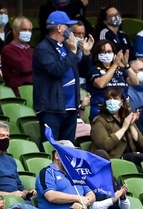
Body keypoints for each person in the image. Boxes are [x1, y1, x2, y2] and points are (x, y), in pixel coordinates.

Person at [33, 11, 93, 143]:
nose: (70, 30)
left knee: (68, 151)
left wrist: (87, 54)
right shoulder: (43, 49)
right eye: (68, 26)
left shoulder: (67, 47)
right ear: (60, 28)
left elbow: (84, 72)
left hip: (71, 109)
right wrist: (72, 53)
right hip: (52, 110)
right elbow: (56, 70)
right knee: (51, 149)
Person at [90, 87, 143, 159]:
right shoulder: (99, 121)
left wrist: (131, 125)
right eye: (109, 99)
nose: (112, 101)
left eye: (115, 99)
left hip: (131, 157)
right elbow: (105, 145)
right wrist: (123, 128)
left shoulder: (126, 119)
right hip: (115, 160)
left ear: (122, 103)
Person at [1, 16, 34, 94]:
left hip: (34, 87)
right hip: (18, 91)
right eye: (24, 30)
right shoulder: (8, 50)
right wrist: (37, 65)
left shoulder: (32, 50)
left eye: (30, 30)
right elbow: (24, 67)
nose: (28, 33)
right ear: (15, 31)